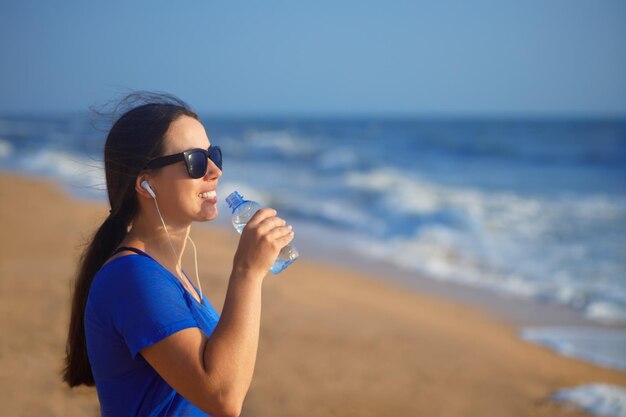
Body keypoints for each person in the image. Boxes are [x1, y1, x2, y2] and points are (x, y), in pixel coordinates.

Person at [63, 92, 294, 417]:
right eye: (195, 160)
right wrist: (247, 271)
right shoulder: (132, 278)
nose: (214, 170)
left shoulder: (169, 275)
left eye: (214, 155)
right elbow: (222, 397)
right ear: (146, 185)